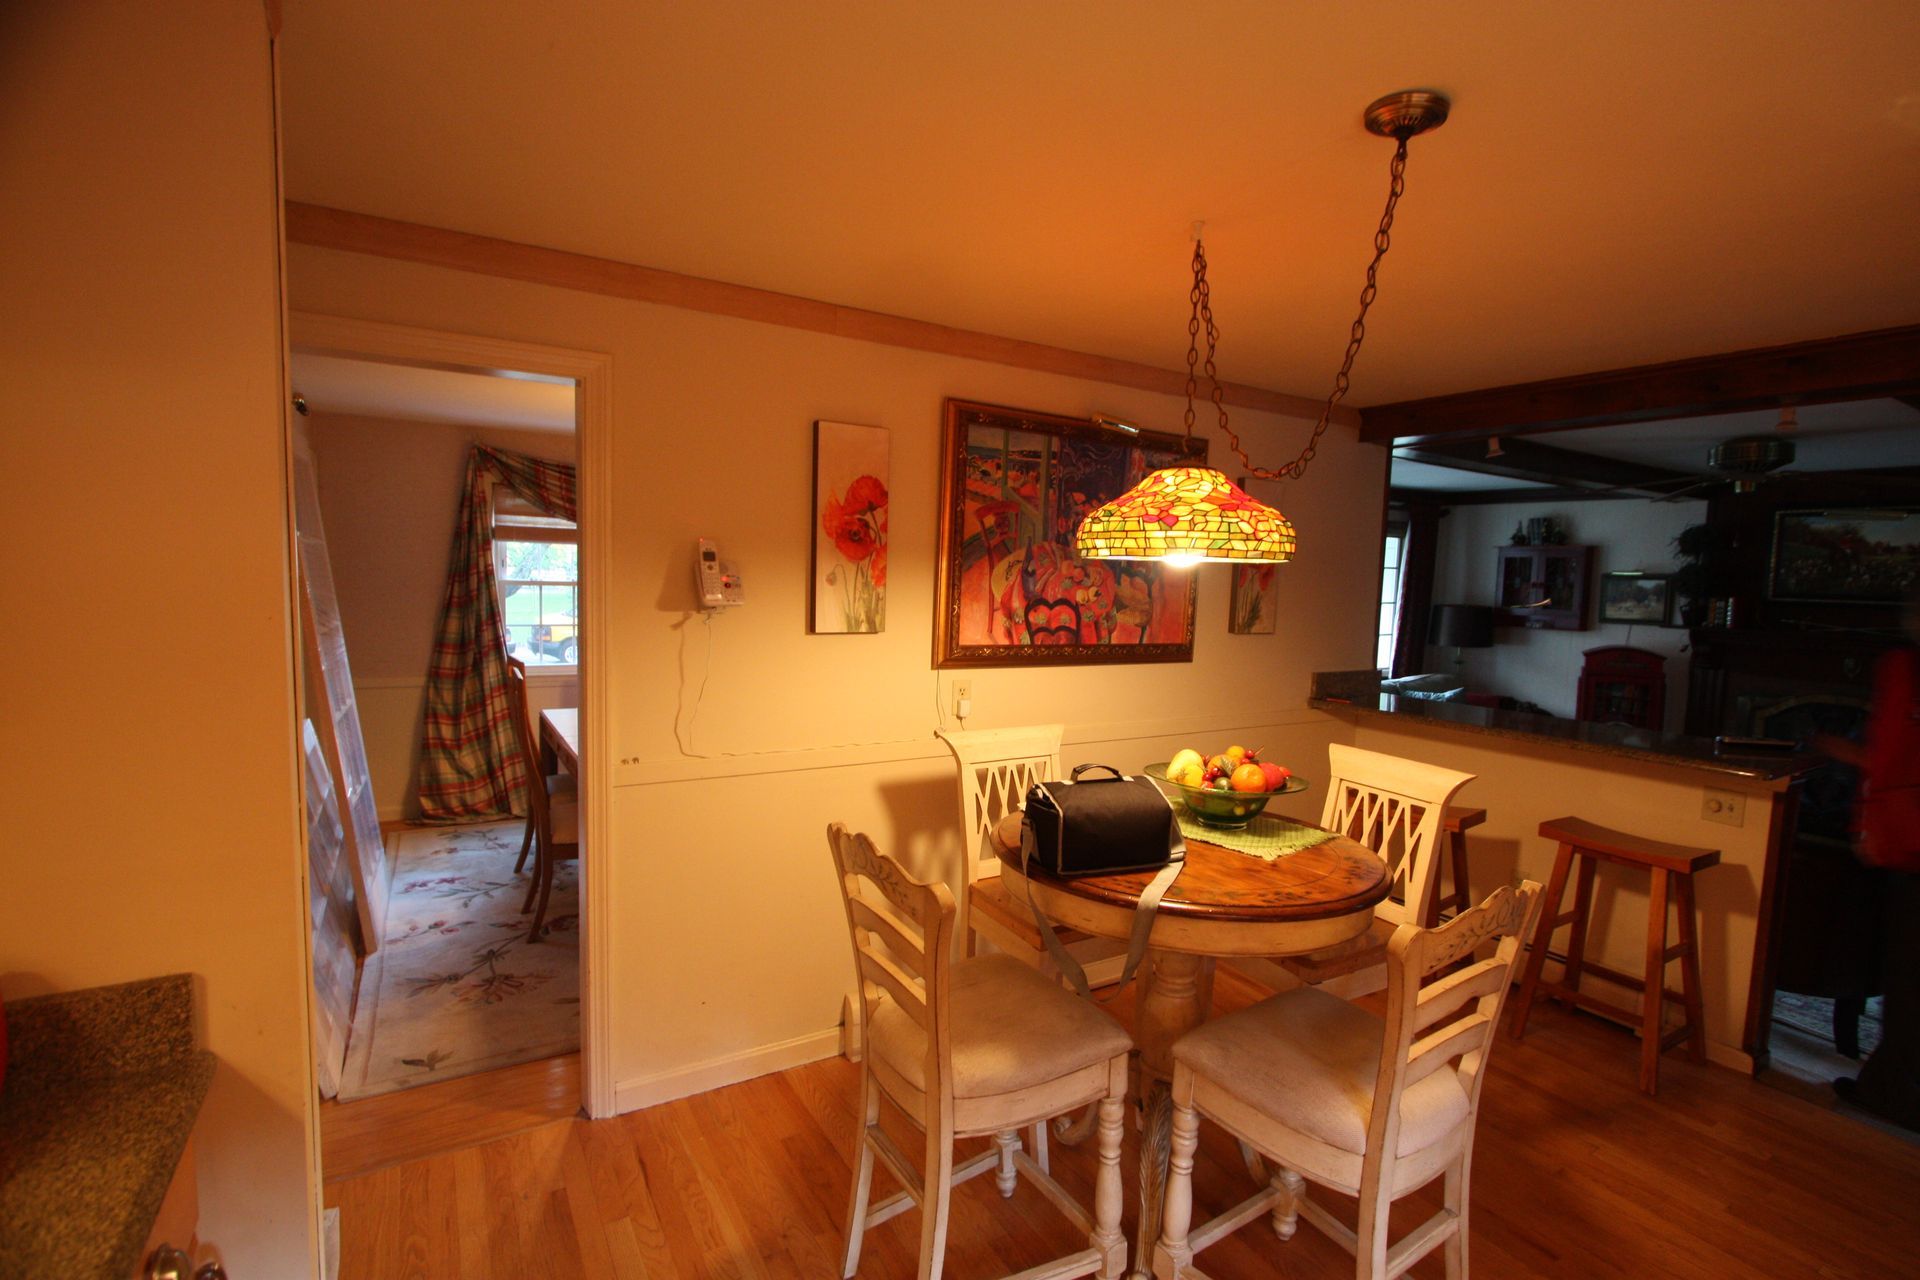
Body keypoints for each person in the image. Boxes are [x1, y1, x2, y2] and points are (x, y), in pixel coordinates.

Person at [1821, 598, 1920, 1131]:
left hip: (1909, 839)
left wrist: (1869, 822)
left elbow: (1891, 752)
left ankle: (1893, 1094)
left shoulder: (1906, 666)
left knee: (1906, 971)